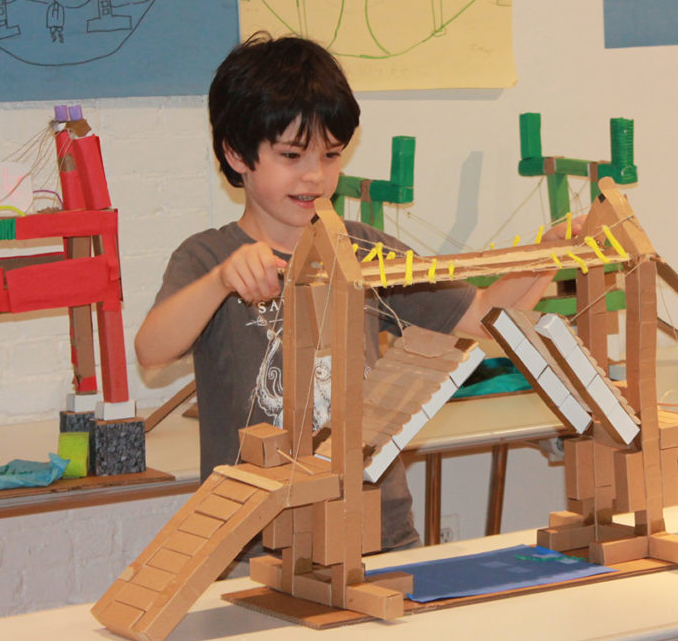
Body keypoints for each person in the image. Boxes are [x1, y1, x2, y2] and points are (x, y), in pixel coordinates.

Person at [136, 31, 574, 553]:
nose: (315, 176)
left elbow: (483, 315)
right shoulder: (208, 257)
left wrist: (549, 256)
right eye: (292, 155)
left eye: (331, 155)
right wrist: (220, 282)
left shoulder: (362, 249)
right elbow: (152, 351)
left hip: (378, 529)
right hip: (257, 541)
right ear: (236, 154)